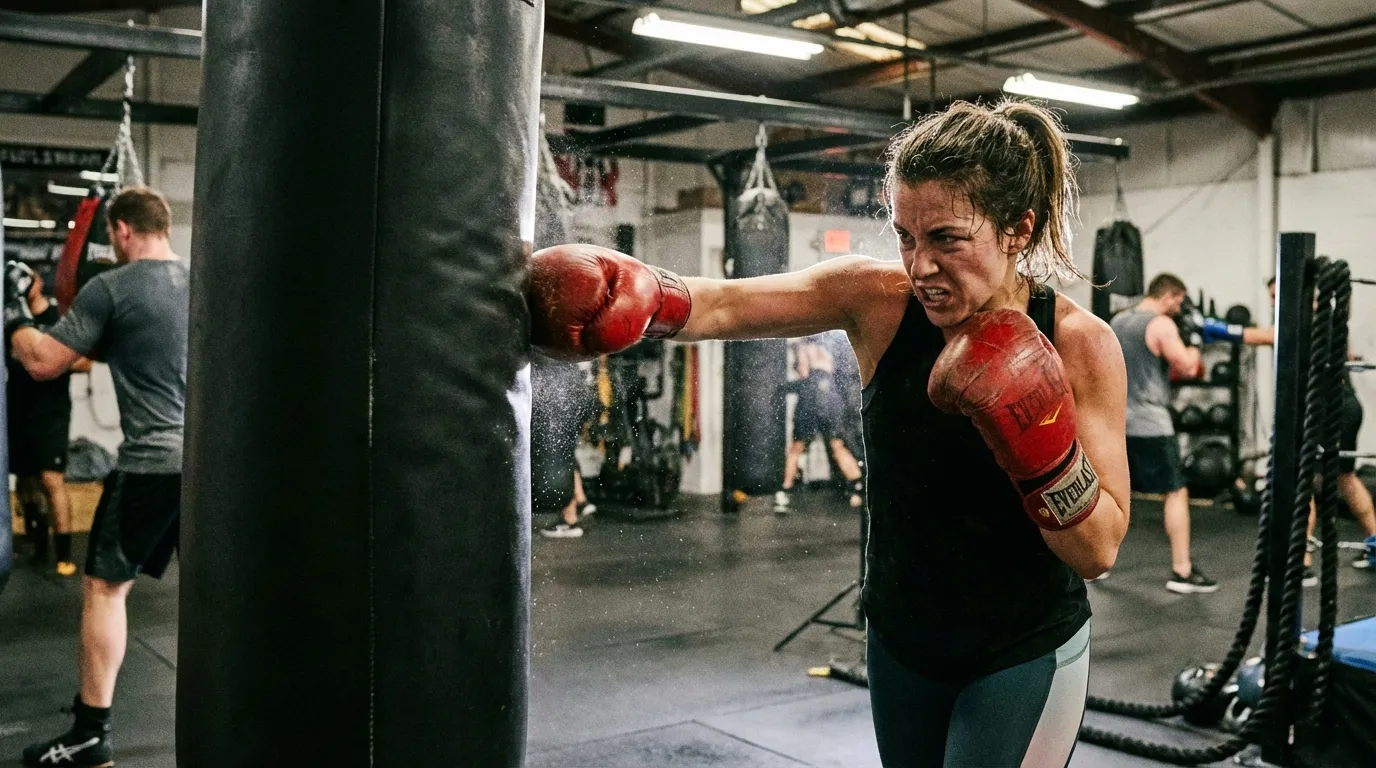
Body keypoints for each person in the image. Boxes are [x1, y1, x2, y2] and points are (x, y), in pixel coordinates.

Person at [529, 100, 1130, 767]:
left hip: (1025, 650)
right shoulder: (876, 301)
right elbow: (725, 304)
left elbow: (1098, 550)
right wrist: (629, 292)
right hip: (901, 642)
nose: (920, 265)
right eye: (906, 236)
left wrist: (1041, 449)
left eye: (947, 240)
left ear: (1018, 229)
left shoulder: (1081, 345)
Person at [7, 187, 188, 768]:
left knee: (106, 588)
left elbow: (42, 362)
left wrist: (15, 318)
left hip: (151, 466)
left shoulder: (112, 287)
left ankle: (89, 732)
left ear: (121, 231)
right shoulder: (202, 284)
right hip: (214, 469)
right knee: (215, 595)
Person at [1222, 276, 1376, 571]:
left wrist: (1209, 327)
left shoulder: (1305, 321)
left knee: (1301, 480)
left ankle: (1301, 562)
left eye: (1276, 295)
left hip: (1327, 409)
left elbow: (1258, 336)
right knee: (1345, 478)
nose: (1272, 302)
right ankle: (1374, 543)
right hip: (1347, 406)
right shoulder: (1332, 318)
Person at [1109, 274, 1217, 594]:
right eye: (1179, 302)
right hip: (1150, 422)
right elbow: (1187, 367)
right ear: (1169, 296)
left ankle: (1097, 566)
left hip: (1116, 421)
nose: (1179, 309)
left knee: (1114, 494)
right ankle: (1182, 572)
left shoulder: (1117, 321)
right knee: (1176, 491)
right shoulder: (1161, 325)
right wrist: (1196, 338)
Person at [5, 264, 87, 577]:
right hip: (18, 411)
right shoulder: (10, 321)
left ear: (38, 282)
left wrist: (47, 362)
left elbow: (87, 363)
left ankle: (63, 554)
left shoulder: (58, 319)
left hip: (50, 414)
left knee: (52, 481)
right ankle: (37, 544)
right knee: (25, 482)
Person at [775, 334, 865, 512]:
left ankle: (784, 493)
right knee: (837, 445)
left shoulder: (804, 346)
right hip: (830, 393)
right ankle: (858, 488)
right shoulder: (829, 345)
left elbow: (803, 371)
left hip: (813, 394)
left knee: (797, 447)